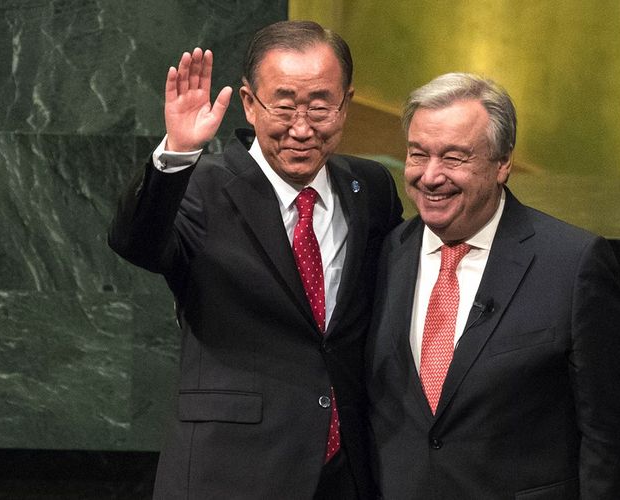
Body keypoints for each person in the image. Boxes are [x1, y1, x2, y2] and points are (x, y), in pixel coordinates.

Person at [109, 20, 403, 499]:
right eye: (284, 105)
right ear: (249, 102)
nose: (302, 128)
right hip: (231, 470)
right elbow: (136, 242)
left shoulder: (370, 188)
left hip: (347, 473)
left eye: (320, 106)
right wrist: (179, 153)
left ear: (346, 103)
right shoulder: (201, 185)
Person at [365, 73, 620, 499]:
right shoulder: (382, 254)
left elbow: (608, 437)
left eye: (454, 158)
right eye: (418, 155)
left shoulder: (571, 263)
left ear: (502, 163)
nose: (430, 177)